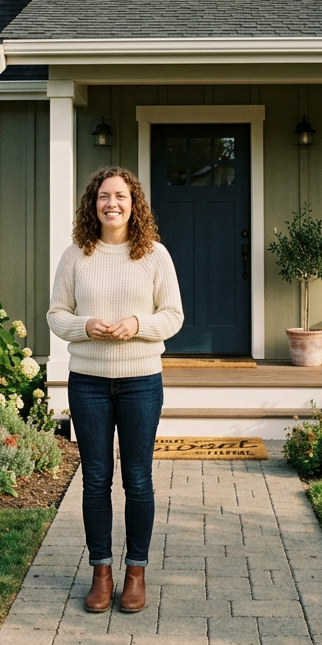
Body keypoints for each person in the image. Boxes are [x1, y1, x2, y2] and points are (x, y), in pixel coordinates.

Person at [48, 166, 183, 613]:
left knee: (138, 480)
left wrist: (138, 325)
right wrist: (84, 325)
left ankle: (136, 573)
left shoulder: (154, 255)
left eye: (121, 196)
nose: (112, 204)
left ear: (134, 203)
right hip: (88, 382)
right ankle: (101, 572)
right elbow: (56, 315)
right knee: (96, 480)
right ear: (93, 203)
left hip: (141, 381)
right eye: (104, 196)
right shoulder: (75, 256)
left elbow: (173, 315)